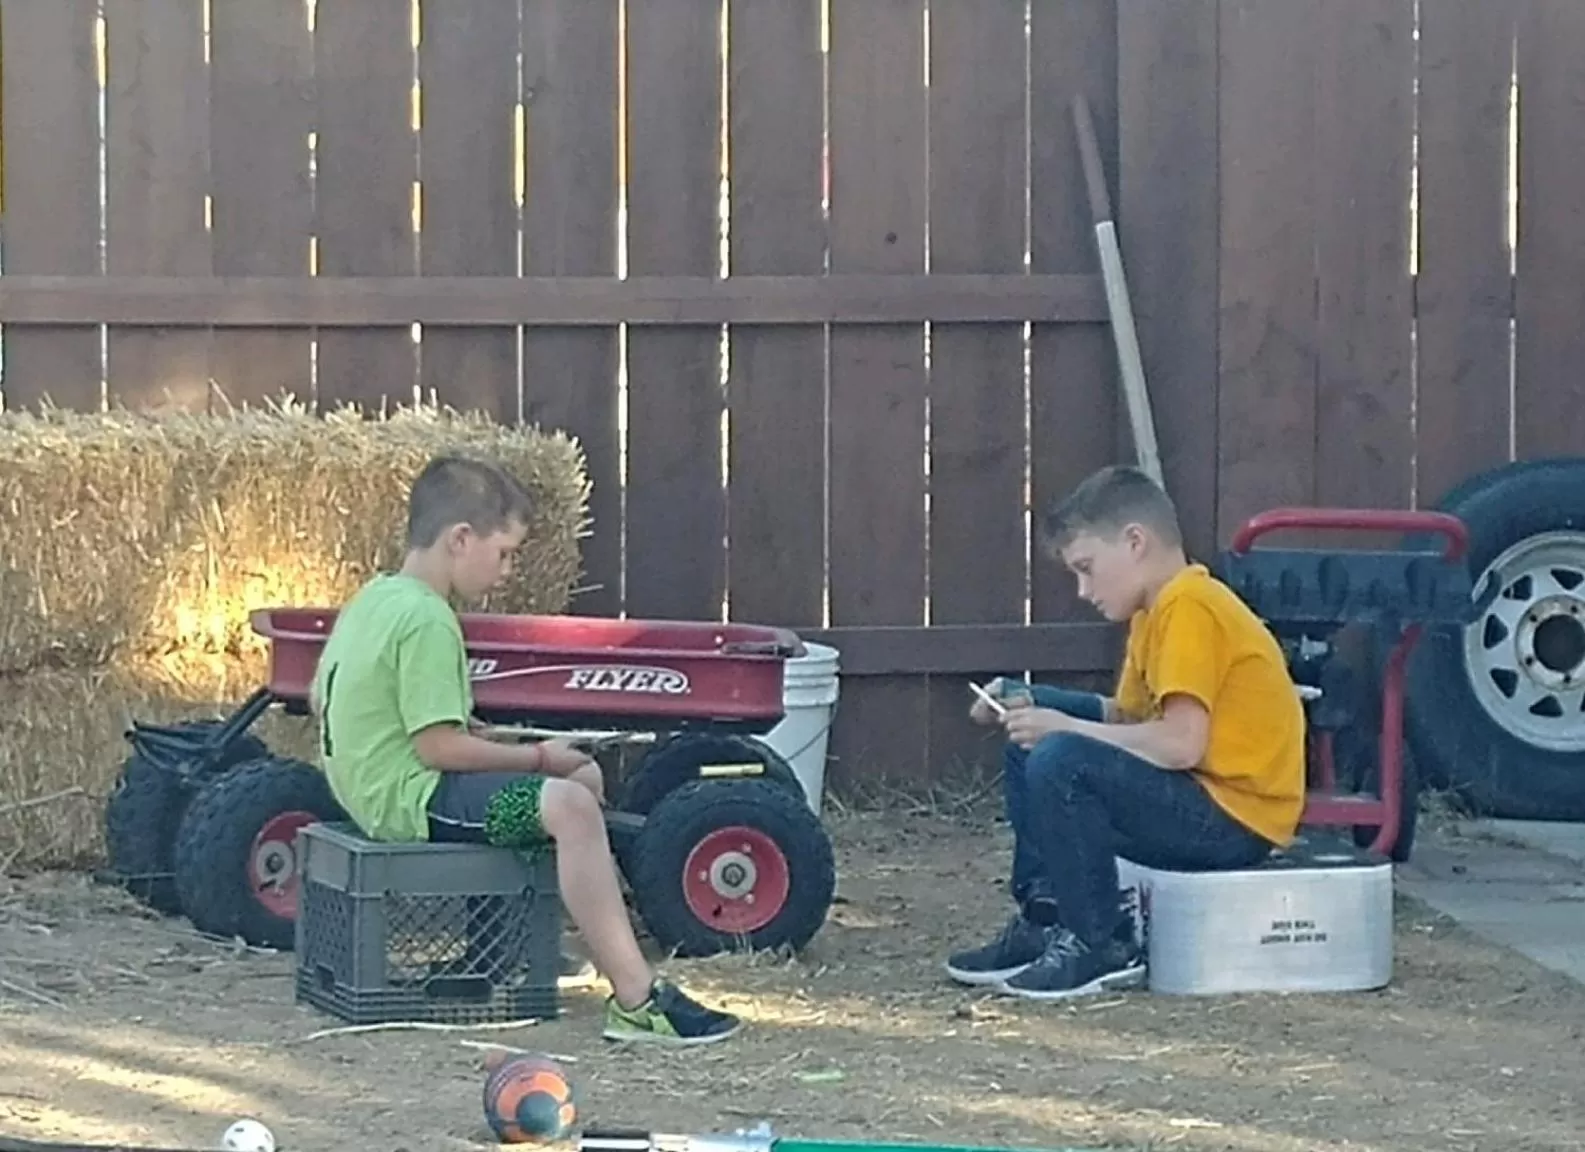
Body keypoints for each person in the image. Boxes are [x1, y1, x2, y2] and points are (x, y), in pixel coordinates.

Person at [309, 454, 741, 1046]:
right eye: (504, 552)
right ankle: (638, 1000)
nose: (508, 570)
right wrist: (537, 757)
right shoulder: (428, 620)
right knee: (570, 805)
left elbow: (334, 701)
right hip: (413, 801)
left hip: (372, 790)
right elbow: (438, 748)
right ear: (461, 539)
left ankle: (513, 949)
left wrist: (498, 741)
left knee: (577, 781)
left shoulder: (376, 599)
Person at [945, 465, 1306, 1000]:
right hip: (1199, 797)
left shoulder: (1190, 607)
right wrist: (1031, 701)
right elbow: (1127, 718)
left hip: (1236, 818)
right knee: (1034, 732)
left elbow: (1180, 744)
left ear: (1135, 542)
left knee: (1060, 756)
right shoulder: (1154, 611)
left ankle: (1101, 942)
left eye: (1087, 569)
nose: (1083, 590)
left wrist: (1065, 727)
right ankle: (1046, 917)